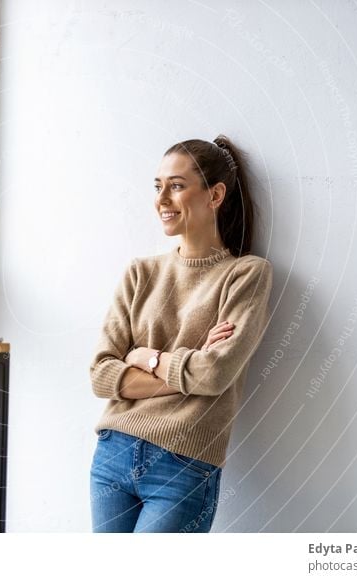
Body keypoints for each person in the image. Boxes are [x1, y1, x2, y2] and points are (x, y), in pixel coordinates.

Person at [88, 135, 274, 533]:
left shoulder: (246, 275)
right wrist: (186, 368)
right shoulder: (140, 272)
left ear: (215, 194)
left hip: (184, 463)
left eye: (176, 186)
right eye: (158, 187)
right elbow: (101, 375)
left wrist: (144, 358)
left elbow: (215, 375)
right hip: (112, 453)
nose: (162, 199)